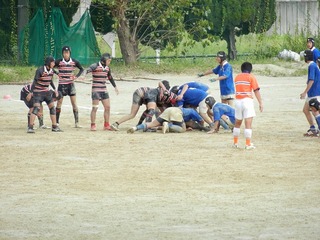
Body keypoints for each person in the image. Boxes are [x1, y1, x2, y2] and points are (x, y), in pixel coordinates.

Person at [27, 56, 63, 133]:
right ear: (48, 63)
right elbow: (35, 82)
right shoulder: (40, 70)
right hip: (38, 92)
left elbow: (50, 80)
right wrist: (31, 92)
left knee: (52, 107)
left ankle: (54, 126)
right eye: (53, 62)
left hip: (46, 92)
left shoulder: (51, 70)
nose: (54, 63)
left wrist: (55, 89)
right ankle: (30, 127)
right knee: (36, 108)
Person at [232, 62, 263, 149]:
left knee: (237, 123)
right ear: (250, 69)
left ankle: (235, 142)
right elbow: (256, 90)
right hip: (247, 101)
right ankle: (248, 143)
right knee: (248, 123)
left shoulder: (237, 77)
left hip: (238, 101)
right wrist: (260, 103)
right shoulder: (251, 77)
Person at [86, 53, 119, 131]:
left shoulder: (107, 68)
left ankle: (106, 124)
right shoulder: (95, 65)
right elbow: (87, 70)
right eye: (109, 60)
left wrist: (115, 87)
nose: (109, 62)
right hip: (96, 90)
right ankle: (93, 125)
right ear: (104, 60)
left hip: (104, 89)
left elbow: (110, 77)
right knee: (95, 108)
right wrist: (83, 75)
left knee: (107, 107)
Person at [55, 46, 84, 128]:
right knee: (59, 102)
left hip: (71, 85)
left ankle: (77, 123)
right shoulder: (59, 61)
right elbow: (50, 66)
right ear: (62, 53)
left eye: (67, 53)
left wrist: (76, 76)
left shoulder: (74, 61)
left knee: (74, 103)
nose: (66, 54)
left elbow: (81, 69)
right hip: (61, 85)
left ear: (70, 53)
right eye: (64, 53)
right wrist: (57, 73)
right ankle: (56, 122)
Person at [127, 107, 203, 134]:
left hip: (169, 109)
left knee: (152, 123)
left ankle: (135, 128)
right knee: (182, 130)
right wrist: (202, 128)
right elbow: (201, 121)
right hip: (176, 113)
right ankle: (167, 125)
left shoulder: (187, 109)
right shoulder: (193, 112)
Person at [300, 51, 320, 137]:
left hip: (314, 92)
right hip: (313, 92)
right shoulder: (314, 65)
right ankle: (312, 128)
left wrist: (305, 92)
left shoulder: (312, 66)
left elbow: (311, 80)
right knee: (305, 110)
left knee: (315, 110)